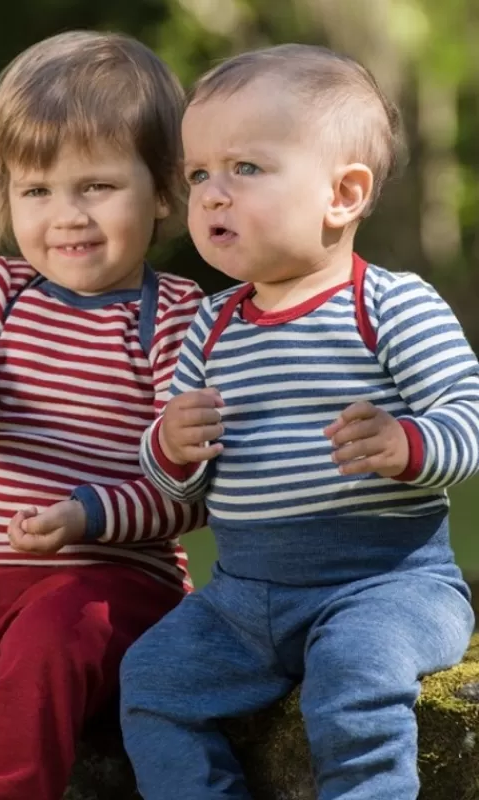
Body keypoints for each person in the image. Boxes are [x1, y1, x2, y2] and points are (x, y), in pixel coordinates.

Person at [120, 43, 479, 800]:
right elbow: (176, 485)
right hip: (244, 596)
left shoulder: (388, 305)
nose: (213, 194)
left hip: (388, 584)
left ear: (343, 194)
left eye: (245, 168)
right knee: (151, 680)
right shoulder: (212, 326)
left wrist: (405, 442)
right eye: (197, 175)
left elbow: (467, 421)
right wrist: (171, 445)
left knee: (354, 672)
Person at [0, 30, 205, 800]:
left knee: (57, 637)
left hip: (110, 585)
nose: (67, 215)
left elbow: (184, 482)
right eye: (37, 190)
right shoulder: (2, 290)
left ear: (161, 191)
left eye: (95, 186)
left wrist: (85, 517)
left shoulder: (178, 317)